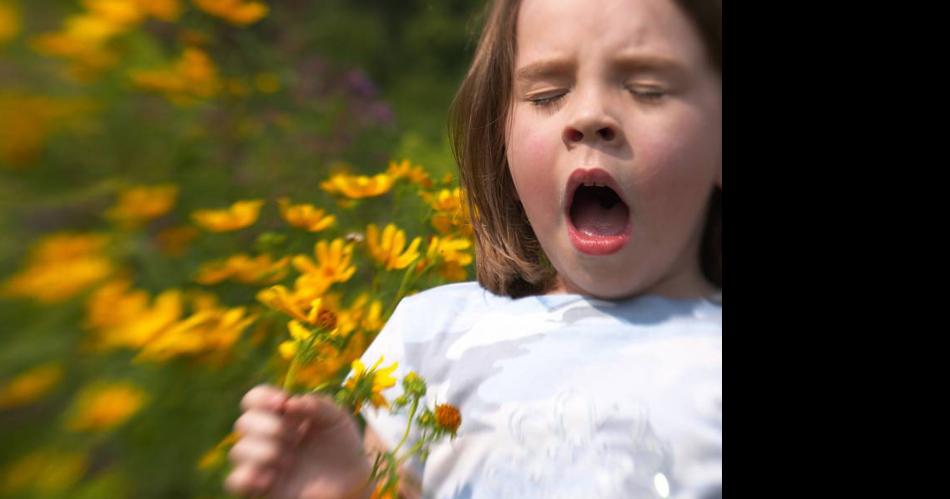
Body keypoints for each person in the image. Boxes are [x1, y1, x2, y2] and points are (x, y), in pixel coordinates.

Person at [225, 0, 722, 496]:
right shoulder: (436, 337)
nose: (590, 116)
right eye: (548, 94)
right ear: (500, 135)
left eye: (647, 89)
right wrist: (341, 491)